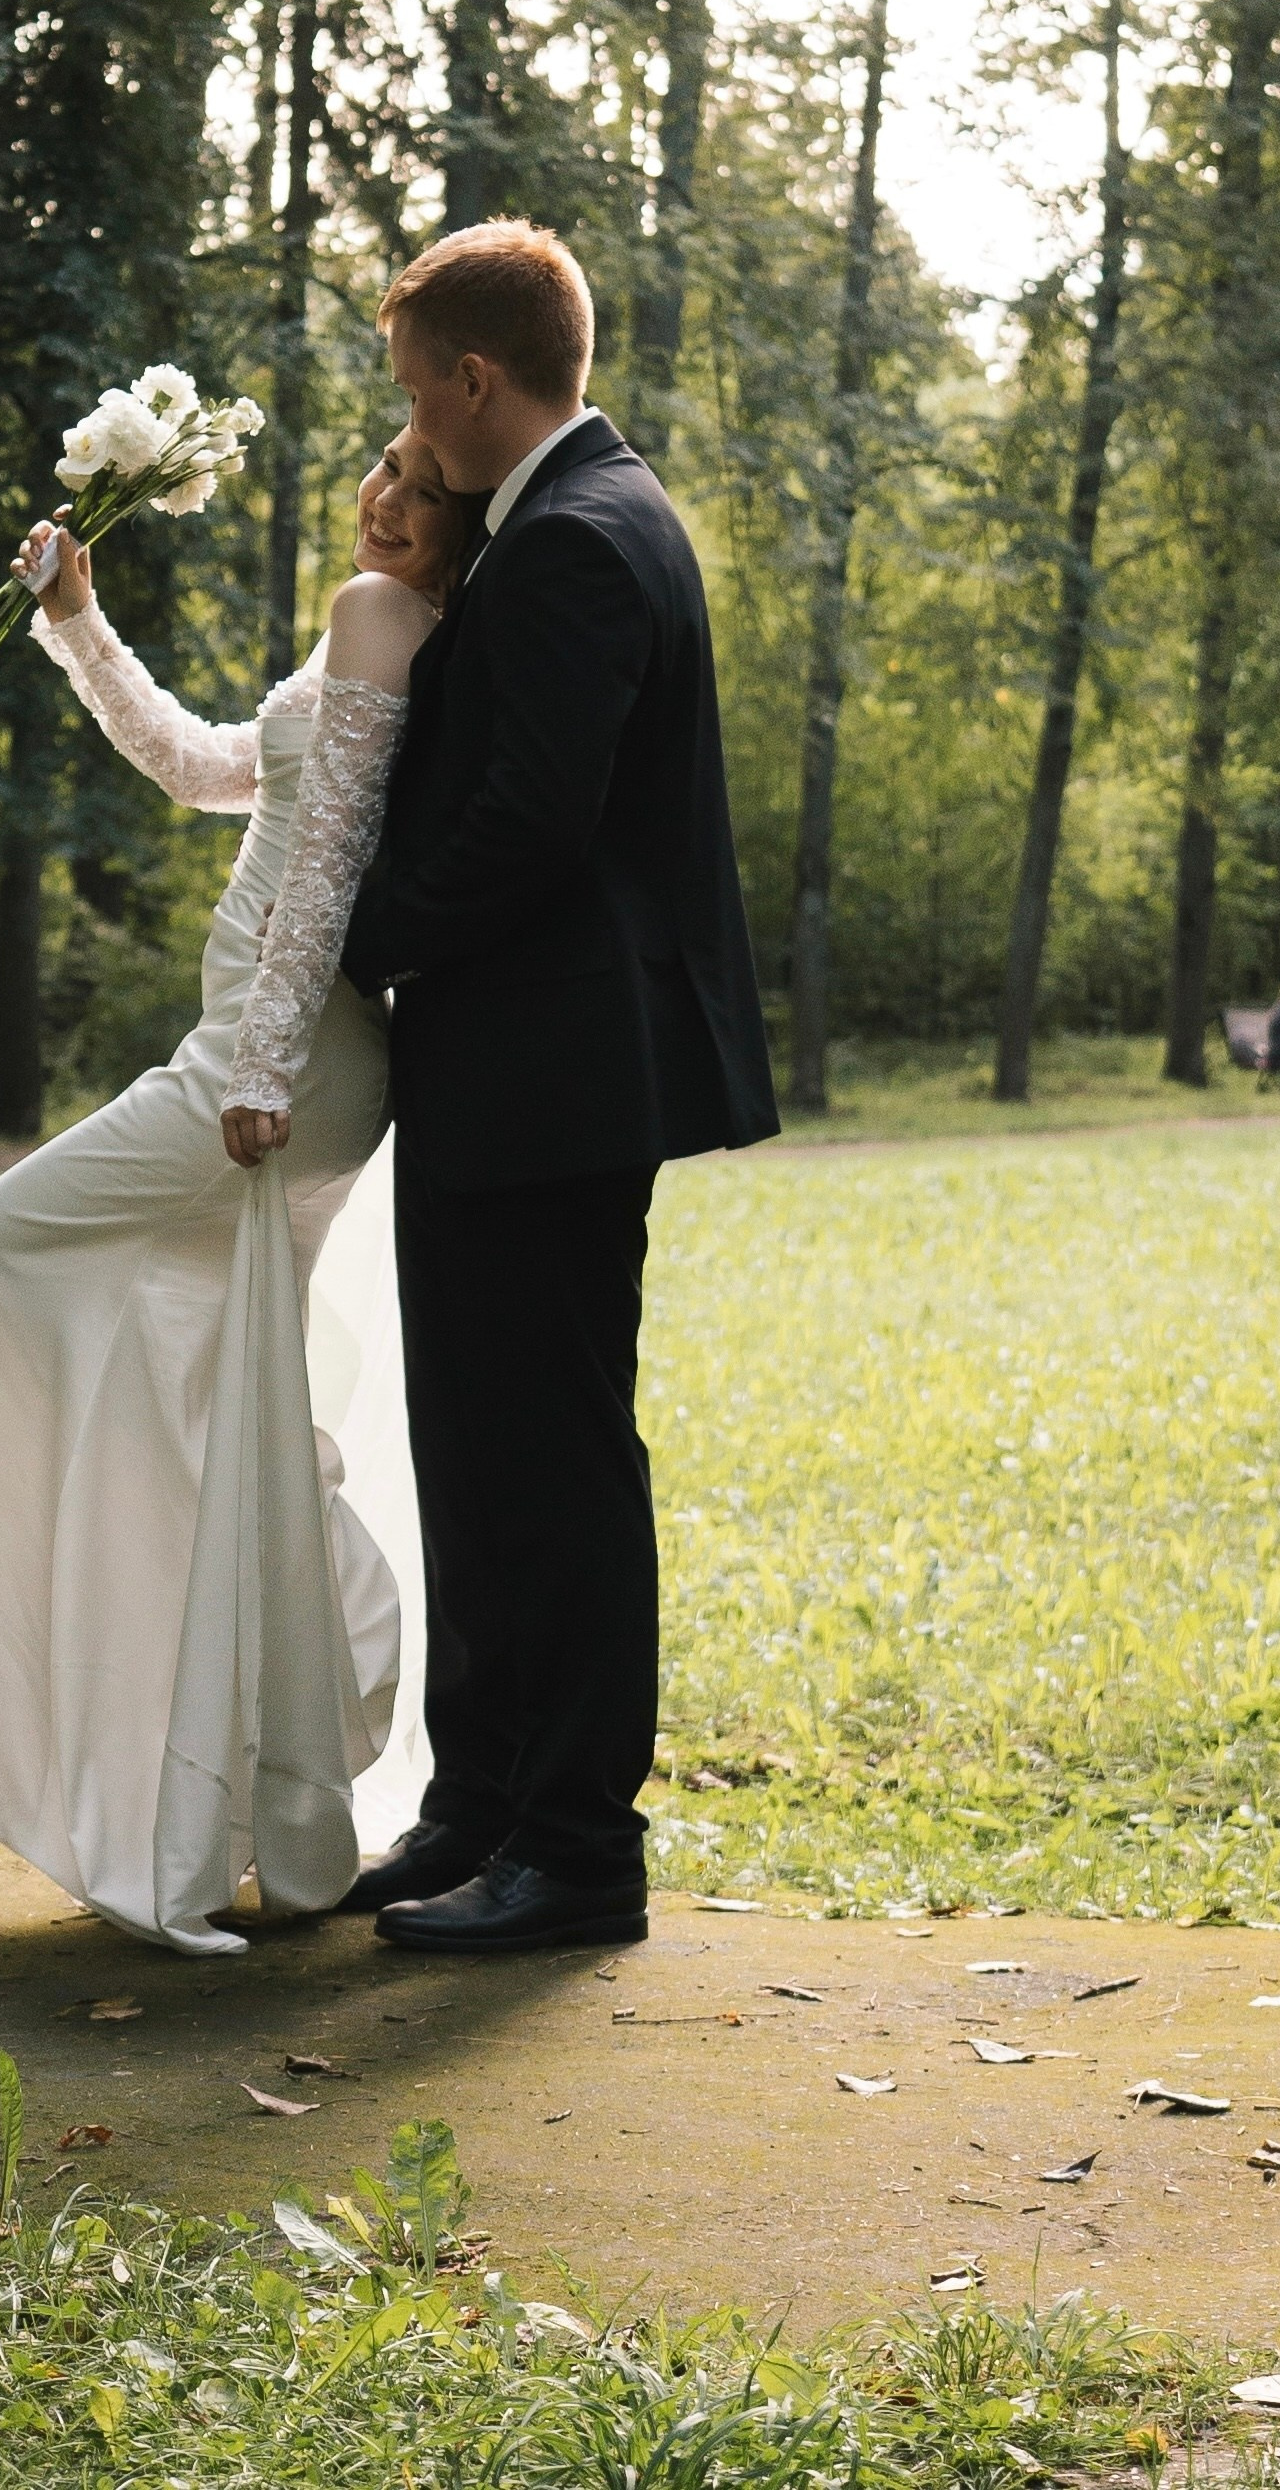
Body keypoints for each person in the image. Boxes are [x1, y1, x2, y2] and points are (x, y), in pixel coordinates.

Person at [0, 430, 481, 1954]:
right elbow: (208, 768)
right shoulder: (388, 635)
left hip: (273, 1067)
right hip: (282, 1060)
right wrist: (77, 618)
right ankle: (247, 1706)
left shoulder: (375, 616)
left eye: (419, 488)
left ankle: (181, 1681)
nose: (383, 497)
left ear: (464, 527)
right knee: (208, 1380)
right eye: (378, 470)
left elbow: (321, 863)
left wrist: (252, 1068)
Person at [336, 221, 778, 1959]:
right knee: (476, 1442)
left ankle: (578, 1847)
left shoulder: (585, 539)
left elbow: (527, 819)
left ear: (471, 373)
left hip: (554, 1067)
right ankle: (479, 1798)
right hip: (504, 1063)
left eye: (412, 390)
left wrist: (346, 936)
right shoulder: (560, 526)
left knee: (555, 1457)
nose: (408, 432)